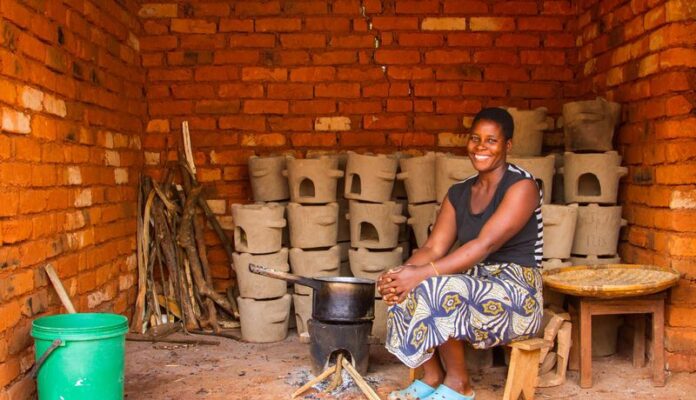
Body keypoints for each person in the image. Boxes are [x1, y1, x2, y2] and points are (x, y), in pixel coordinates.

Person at [378, 107, 544, 400]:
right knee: (403, 285)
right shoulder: (459, 193)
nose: (481, 147)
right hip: (475, 284)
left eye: (491, 140)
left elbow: (485, 245)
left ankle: (459, 385)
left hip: (517, 294)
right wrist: (401, 275)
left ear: (508, 145)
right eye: (475, 139)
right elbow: (433, 248)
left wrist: (420, 275)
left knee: (435, 287)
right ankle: (432, 377)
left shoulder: (523, 186)